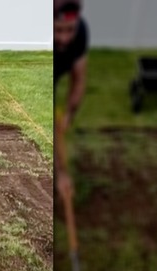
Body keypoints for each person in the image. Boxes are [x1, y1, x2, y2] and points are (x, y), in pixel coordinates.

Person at [53, 0, 88, 200]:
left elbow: (79, 79)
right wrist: (61, 172)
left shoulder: (81, 33)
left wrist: (69, 113)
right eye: (58, 30)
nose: (64, 38)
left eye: (70, 30)